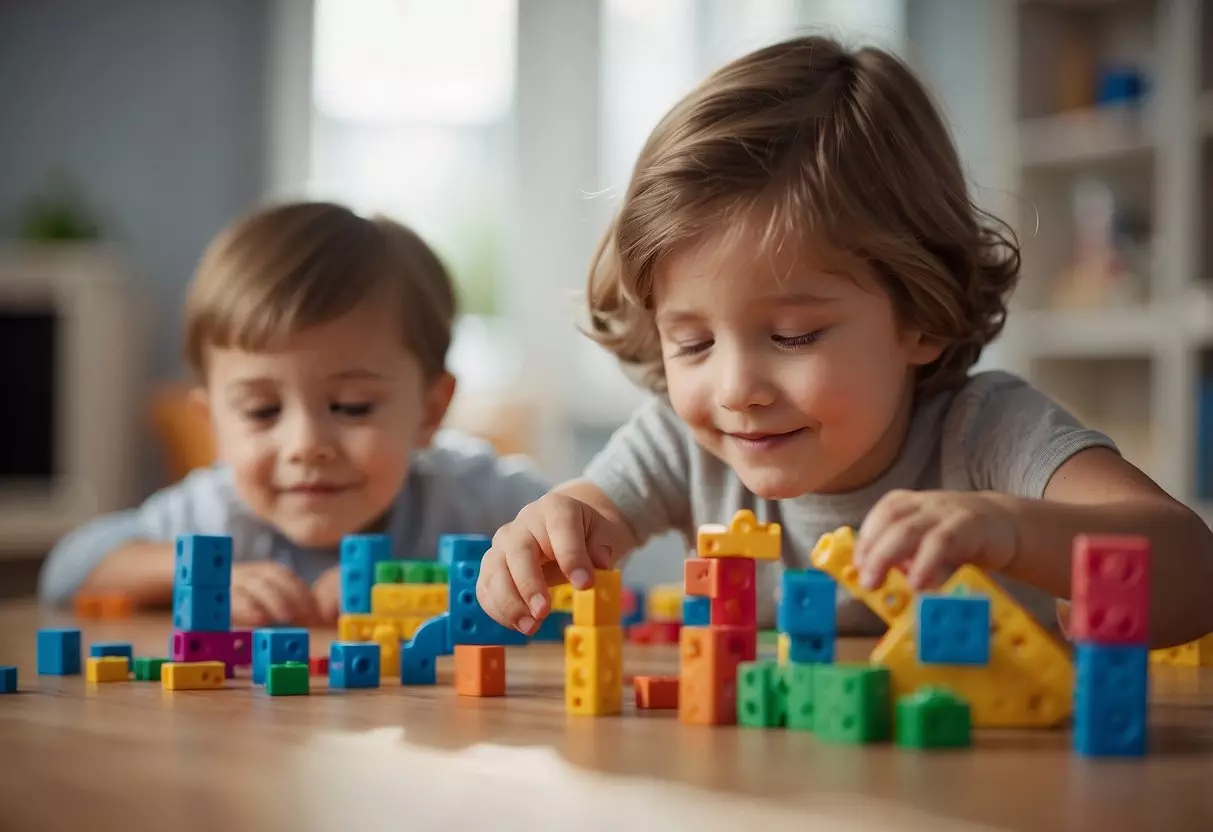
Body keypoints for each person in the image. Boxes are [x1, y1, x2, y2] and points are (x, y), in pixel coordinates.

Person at [476, 35, 1213, 646]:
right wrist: (541, 535)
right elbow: (582, 519)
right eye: (693, 344)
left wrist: (1008, 530)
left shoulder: (986, 432)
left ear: (920, 316)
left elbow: (1192, 575)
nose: (734, 389)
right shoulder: (680, 442)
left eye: (793, 336)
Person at [39, 201, 551, 626]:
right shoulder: (215, 517)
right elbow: (66, 570)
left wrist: (428, 589)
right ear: (214, 423)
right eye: (262, 411)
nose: (305, 444)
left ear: (430, 410)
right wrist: (196, 575)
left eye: (352, 406)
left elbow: (591, 544)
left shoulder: (466, 497)